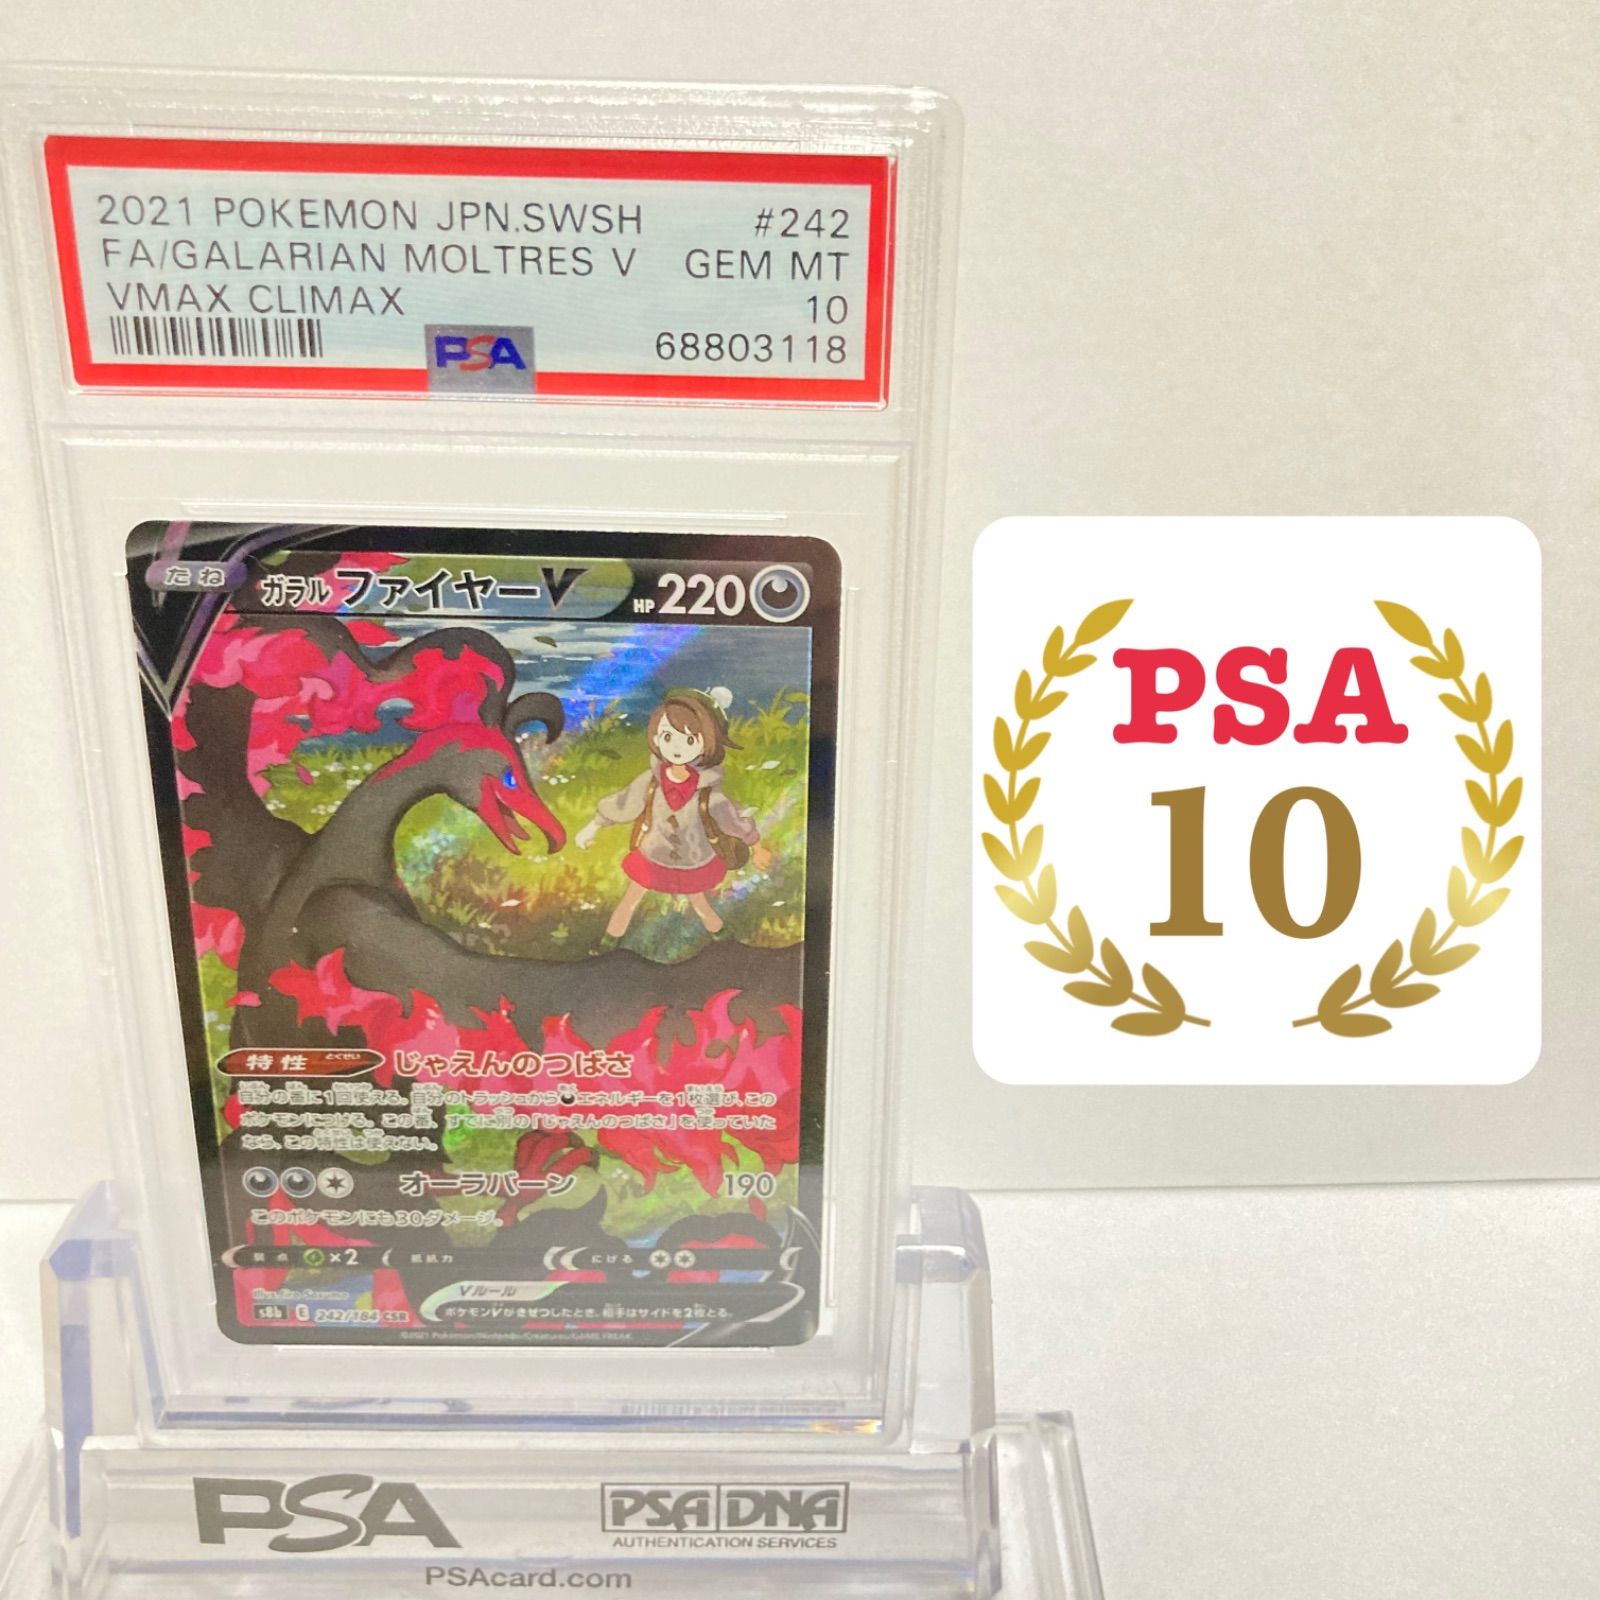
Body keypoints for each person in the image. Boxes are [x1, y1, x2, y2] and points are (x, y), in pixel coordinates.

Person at [576, 687, 772, 938]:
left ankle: (723, 940)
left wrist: (757, 846)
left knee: (699, 903)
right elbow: (624, 803)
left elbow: (734, 821)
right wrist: (593, 826)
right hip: (652, 855)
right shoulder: (651, 782)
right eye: (668, 736)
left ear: (706, 743)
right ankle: (608, 943)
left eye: (690, 740)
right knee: (631, 899)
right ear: (656, 738)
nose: (677, 747)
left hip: (693, 859)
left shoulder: (709, 795)